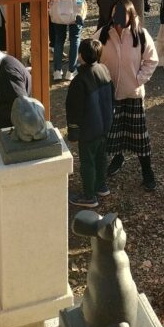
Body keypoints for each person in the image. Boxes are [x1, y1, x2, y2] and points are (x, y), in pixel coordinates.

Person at [93, 0, 159, 190]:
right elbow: (87, 53)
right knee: (111, 133)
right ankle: (118, 157)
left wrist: (138, 79)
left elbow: (151, 60)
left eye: (122, 13)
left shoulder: (141, 35)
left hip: (133, 94)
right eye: (114, 13)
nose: (118, 18)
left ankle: (147, 171)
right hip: (109, 94)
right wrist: (98, 77)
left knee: (139, 136)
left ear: (131, 15)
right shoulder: (104, 33)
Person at [65, 38, 115, 208]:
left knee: (88, 161)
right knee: (102, 157)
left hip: (88, 129)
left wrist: (73, 131)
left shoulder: (79, 81)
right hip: (105, 125)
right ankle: (102, 186)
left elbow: (74, 109)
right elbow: (111, 98)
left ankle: (89, 196)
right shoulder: (104, 71)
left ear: (81, 56)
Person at [48, 0, 87, 83]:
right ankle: (71, 71)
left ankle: (57, 71)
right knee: (75, 39)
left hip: (58, 6)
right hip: (76, 4)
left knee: (59, 39)